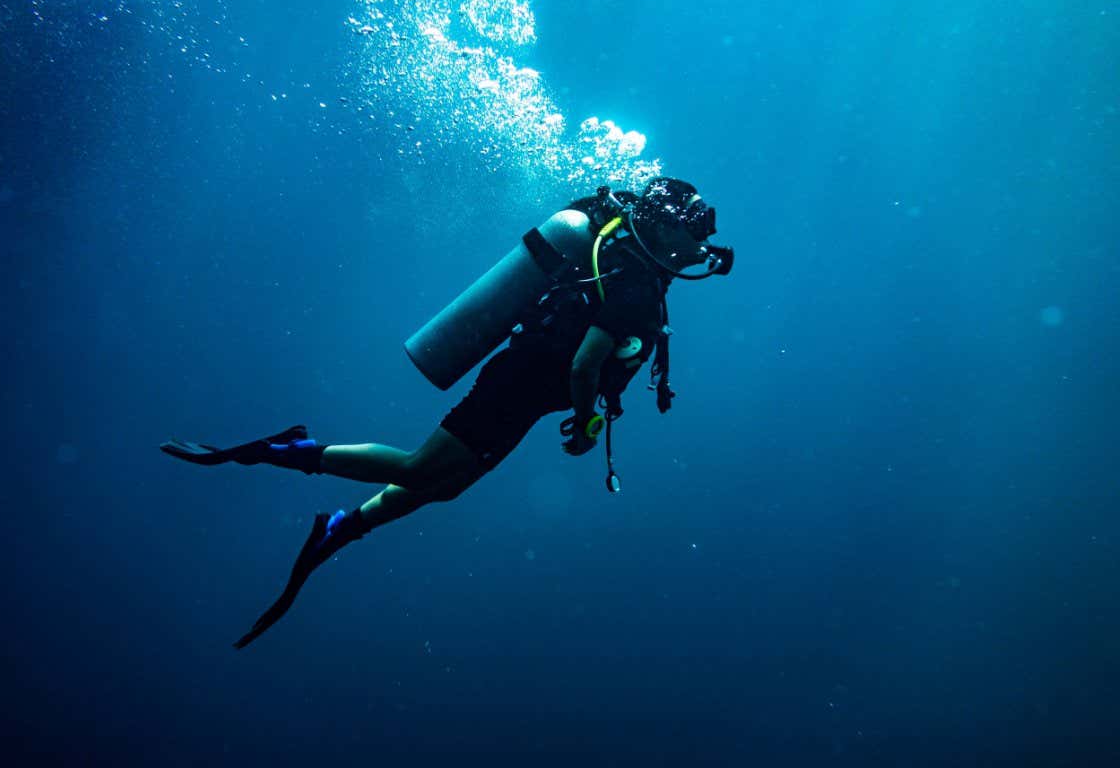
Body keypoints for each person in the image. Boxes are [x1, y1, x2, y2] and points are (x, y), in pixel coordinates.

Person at [161, 177, 733, 648]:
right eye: (693, 228)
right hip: (517, 386)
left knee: (447, 486)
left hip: (527, 393)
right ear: (664, 227)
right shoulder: (636, 287)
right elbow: (585, 366)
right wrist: (586, 425)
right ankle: (281, 451)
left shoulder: (633, 272)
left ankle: (337, 528)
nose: (701, 242)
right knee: (418, 469)